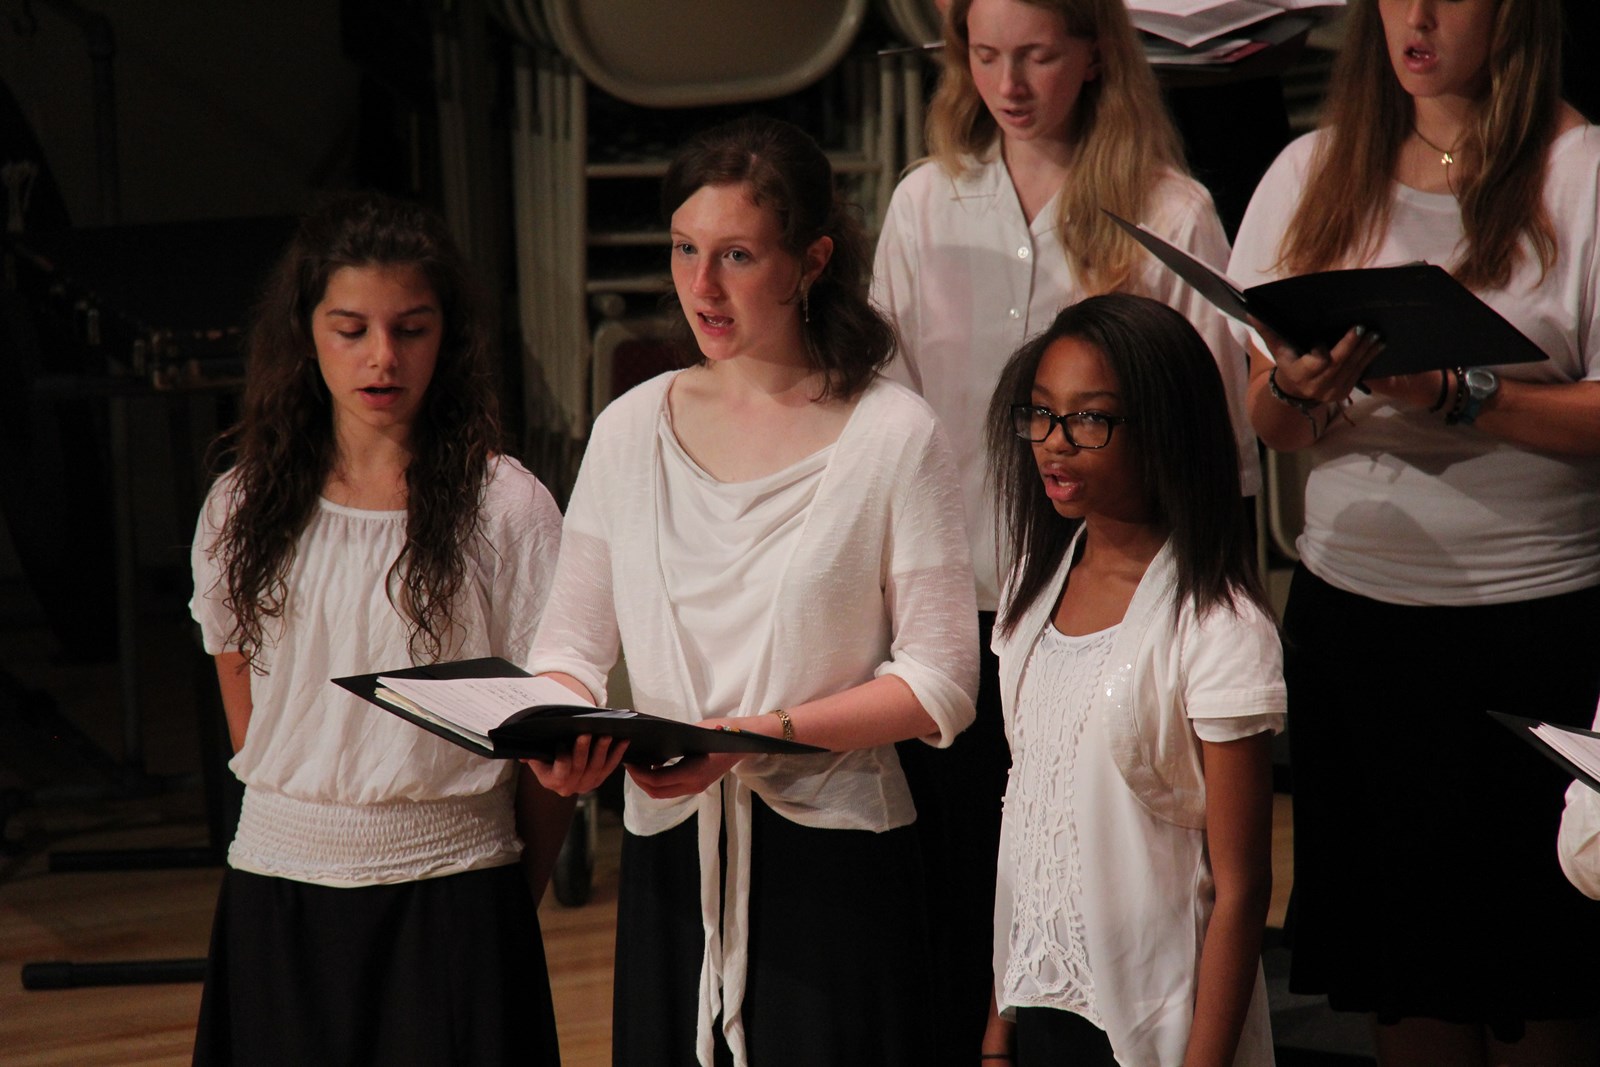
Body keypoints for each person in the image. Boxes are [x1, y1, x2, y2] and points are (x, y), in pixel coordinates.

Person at [525, 115, 979, 1067]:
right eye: (685, 249)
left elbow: (940, 681)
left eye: (736, 254)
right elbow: (569, 647)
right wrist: (562, 736)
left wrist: (750, 738)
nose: (702, 285)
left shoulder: (893, 433)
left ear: (810, 260)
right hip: (672, 854)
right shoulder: (628, 430)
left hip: (836, 869)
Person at [869, 2, 1261, 1057]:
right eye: (985, 55)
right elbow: (888, 415)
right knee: (968, 898)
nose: (1009, 84)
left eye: (1038, 54)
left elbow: (1217, 441)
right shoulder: (924, 201)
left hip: (1109, 617)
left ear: (1095, 52)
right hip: (957, 613)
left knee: (1112, 893)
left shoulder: (1168, 210)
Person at [1227, 0, 1600, 1062]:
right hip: (1362, 629)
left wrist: (1460, 394)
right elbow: (1267, 418)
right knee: (1406, 982)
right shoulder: (1310, 170)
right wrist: (1296, 388)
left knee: (1542, 981)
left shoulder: (1582, 174)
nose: (1417, 17)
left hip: (1536, 630)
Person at [188, 191, 567, 1066]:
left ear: (448, 336)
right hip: (279, 895)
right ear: (306, 333)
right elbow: (250, 722)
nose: (382, 357)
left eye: (411, 328)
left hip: (455, 896)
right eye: (351, 329)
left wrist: (505, 900)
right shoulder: (240, 506)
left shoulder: (506, 506)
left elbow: (546, 737)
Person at [982, 294, 1279, 1067]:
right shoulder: (1031, 588)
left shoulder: (1217, 626)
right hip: (1038, 1003)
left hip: (1156, 1024)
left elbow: (1242, 888)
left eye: (1090, 419)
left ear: (1164, 429)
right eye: (1041, 413)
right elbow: (1032, 820)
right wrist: (998, 1027)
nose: (1055, 441)